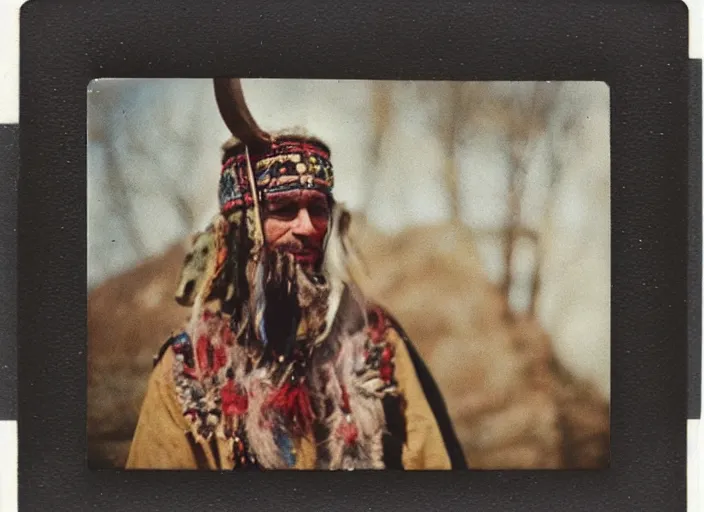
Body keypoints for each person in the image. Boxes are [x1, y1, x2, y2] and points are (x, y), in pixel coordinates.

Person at [125, 79, 467, 470]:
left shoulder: (376, 345)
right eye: (285, 209)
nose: (307, 227)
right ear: (245, 228)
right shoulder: (190, 368)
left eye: (317, 210)